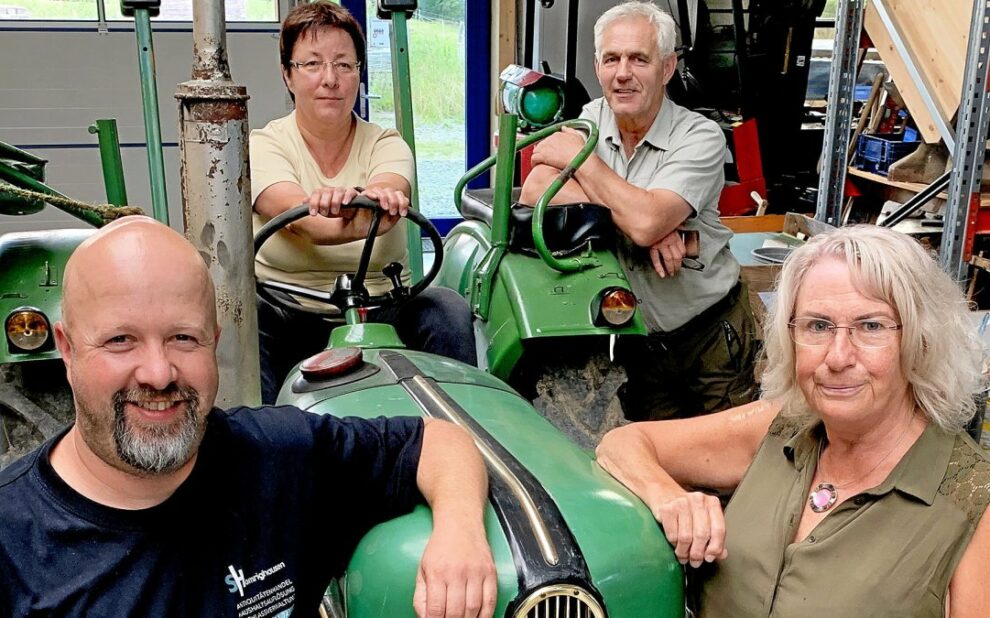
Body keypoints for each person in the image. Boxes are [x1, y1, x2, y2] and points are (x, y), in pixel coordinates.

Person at [0, 217, 497, 617]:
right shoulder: (12, 542)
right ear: (65, 349)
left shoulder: (278, 456)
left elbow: (439, 442)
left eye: (183, 338)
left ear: (213, 343)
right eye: (120, 340)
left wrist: (460, 531)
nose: (157, 373)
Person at [596, 225, 990, 615]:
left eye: (870, 326)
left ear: (921, 340)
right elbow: (622, 445)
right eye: (818, 326)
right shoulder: (777, 428)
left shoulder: (973, 501)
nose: (837, 357)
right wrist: (671, 499)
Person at [519, 0, 756, 422]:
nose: (622, 73)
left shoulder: (700, 136)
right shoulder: (591, 118)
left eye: (638, 59)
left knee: (732, 463)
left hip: (711, 335)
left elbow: (647, 221)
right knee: (656, 464)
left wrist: (587, 168)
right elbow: (536, 189)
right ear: (597, 67)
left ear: (666, 68)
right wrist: (638, 222)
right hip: (639, 340)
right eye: (611, 59)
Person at [251, 1, 475, 404]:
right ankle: (265, 441)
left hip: (381, 308)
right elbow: (303, 221)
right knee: (244, 316)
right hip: (289, 309)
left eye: (344, 64)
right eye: (312, 64)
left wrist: (375, 201)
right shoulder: (263, 145)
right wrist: (356, 208)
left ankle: (460, 430)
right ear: (287, 75)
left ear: (358, 73)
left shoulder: (386, 143)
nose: (330, 79)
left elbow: (387, 193)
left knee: (445, 308)